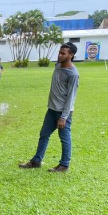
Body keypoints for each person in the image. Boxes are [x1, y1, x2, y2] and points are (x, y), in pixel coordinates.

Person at [19, 42, 79, 173]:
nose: (59, 55)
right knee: (44, 135)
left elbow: (71, 97)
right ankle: (36, 161)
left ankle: (64, 165)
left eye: (63, 53)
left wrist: (64, 117)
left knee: (64, 138)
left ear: (71, 55)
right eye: (59, 52)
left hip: (63, 113)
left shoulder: (73, 74)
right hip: (51, 110)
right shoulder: (58, 65)